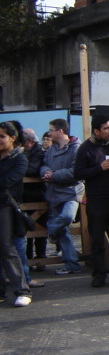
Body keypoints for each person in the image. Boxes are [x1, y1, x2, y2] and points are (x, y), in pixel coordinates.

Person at [74, 114, 109, 287]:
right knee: (97, 240)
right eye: (106, 128)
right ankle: (99, 274)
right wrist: (99, 168)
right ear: (96, 131)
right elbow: (78, 173)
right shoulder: (85, 148)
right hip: (96, 200)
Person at [41, 119, 83, 276]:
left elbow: (75, 172)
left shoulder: (76, 148)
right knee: (64, 232)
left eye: (51, 130)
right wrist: (45, 172)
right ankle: (71, 262)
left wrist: (53, 176)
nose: (49, 133)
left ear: (60, 131)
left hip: (71, 191)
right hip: (54, 192)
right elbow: (44, 164)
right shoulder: (51, 149)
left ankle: (51, 229)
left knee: (66, 217)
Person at [0, 121, 33, 307]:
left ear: (13, 138)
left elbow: (8, 182)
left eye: (2, 136)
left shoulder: (19, 158)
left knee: (7, 247)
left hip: (6, 206)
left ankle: (22, 289)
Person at [22, 128, 48, 264]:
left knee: (39, 226)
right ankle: (30, 257)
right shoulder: (26, 152)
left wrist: (18, 169)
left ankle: (40, 258)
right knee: (28, 226)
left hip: (36, 195)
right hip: (27, 196)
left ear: (30, 142)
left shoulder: (38, 152)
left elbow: (33, 170)